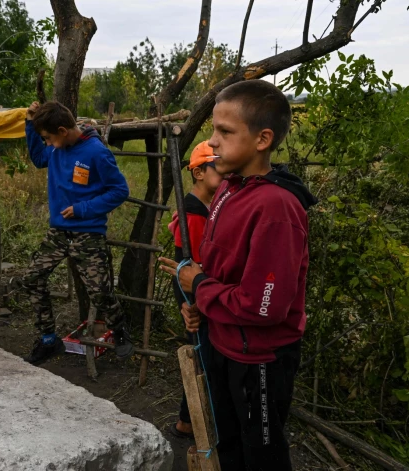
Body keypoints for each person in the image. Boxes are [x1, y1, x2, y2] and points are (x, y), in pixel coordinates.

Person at [160, 80, 318, 471]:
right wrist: (199, 304)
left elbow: (264, 308)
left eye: (225, 132)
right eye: (213, 130)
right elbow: (218, 270)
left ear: (263, 139)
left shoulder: (276, 208)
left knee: (261, 455)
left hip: (259, 359)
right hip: (224, 344)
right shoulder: (230, 189)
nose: (212, 142)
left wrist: (198, 285)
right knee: (228, 442)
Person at [23, 100, 133, 363]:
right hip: (59, 232)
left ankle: (119, 330)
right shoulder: (55, 150)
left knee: (100, 292)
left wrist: (83, 208)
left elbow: (120, 191)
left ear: (62, 130)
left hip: (87, 232)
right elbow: (39, 158)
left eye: (48, 138)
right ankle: (49, 340)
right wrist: (29, 123)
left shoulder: (96, 153)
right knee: (31, 278)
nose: (47, 144)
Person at [167, 140, 222, 439]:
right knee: (204, 361)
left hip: (202, 297)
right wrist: (188, 304)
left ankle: (188, 421)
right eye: (218, 168)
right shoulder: (193, 215)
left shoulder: (205, 208)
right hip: (198, 301)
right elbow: (184, 266)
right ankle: (188, 422)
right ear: (199, 173)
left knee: (206, 360)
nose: (224, 174)